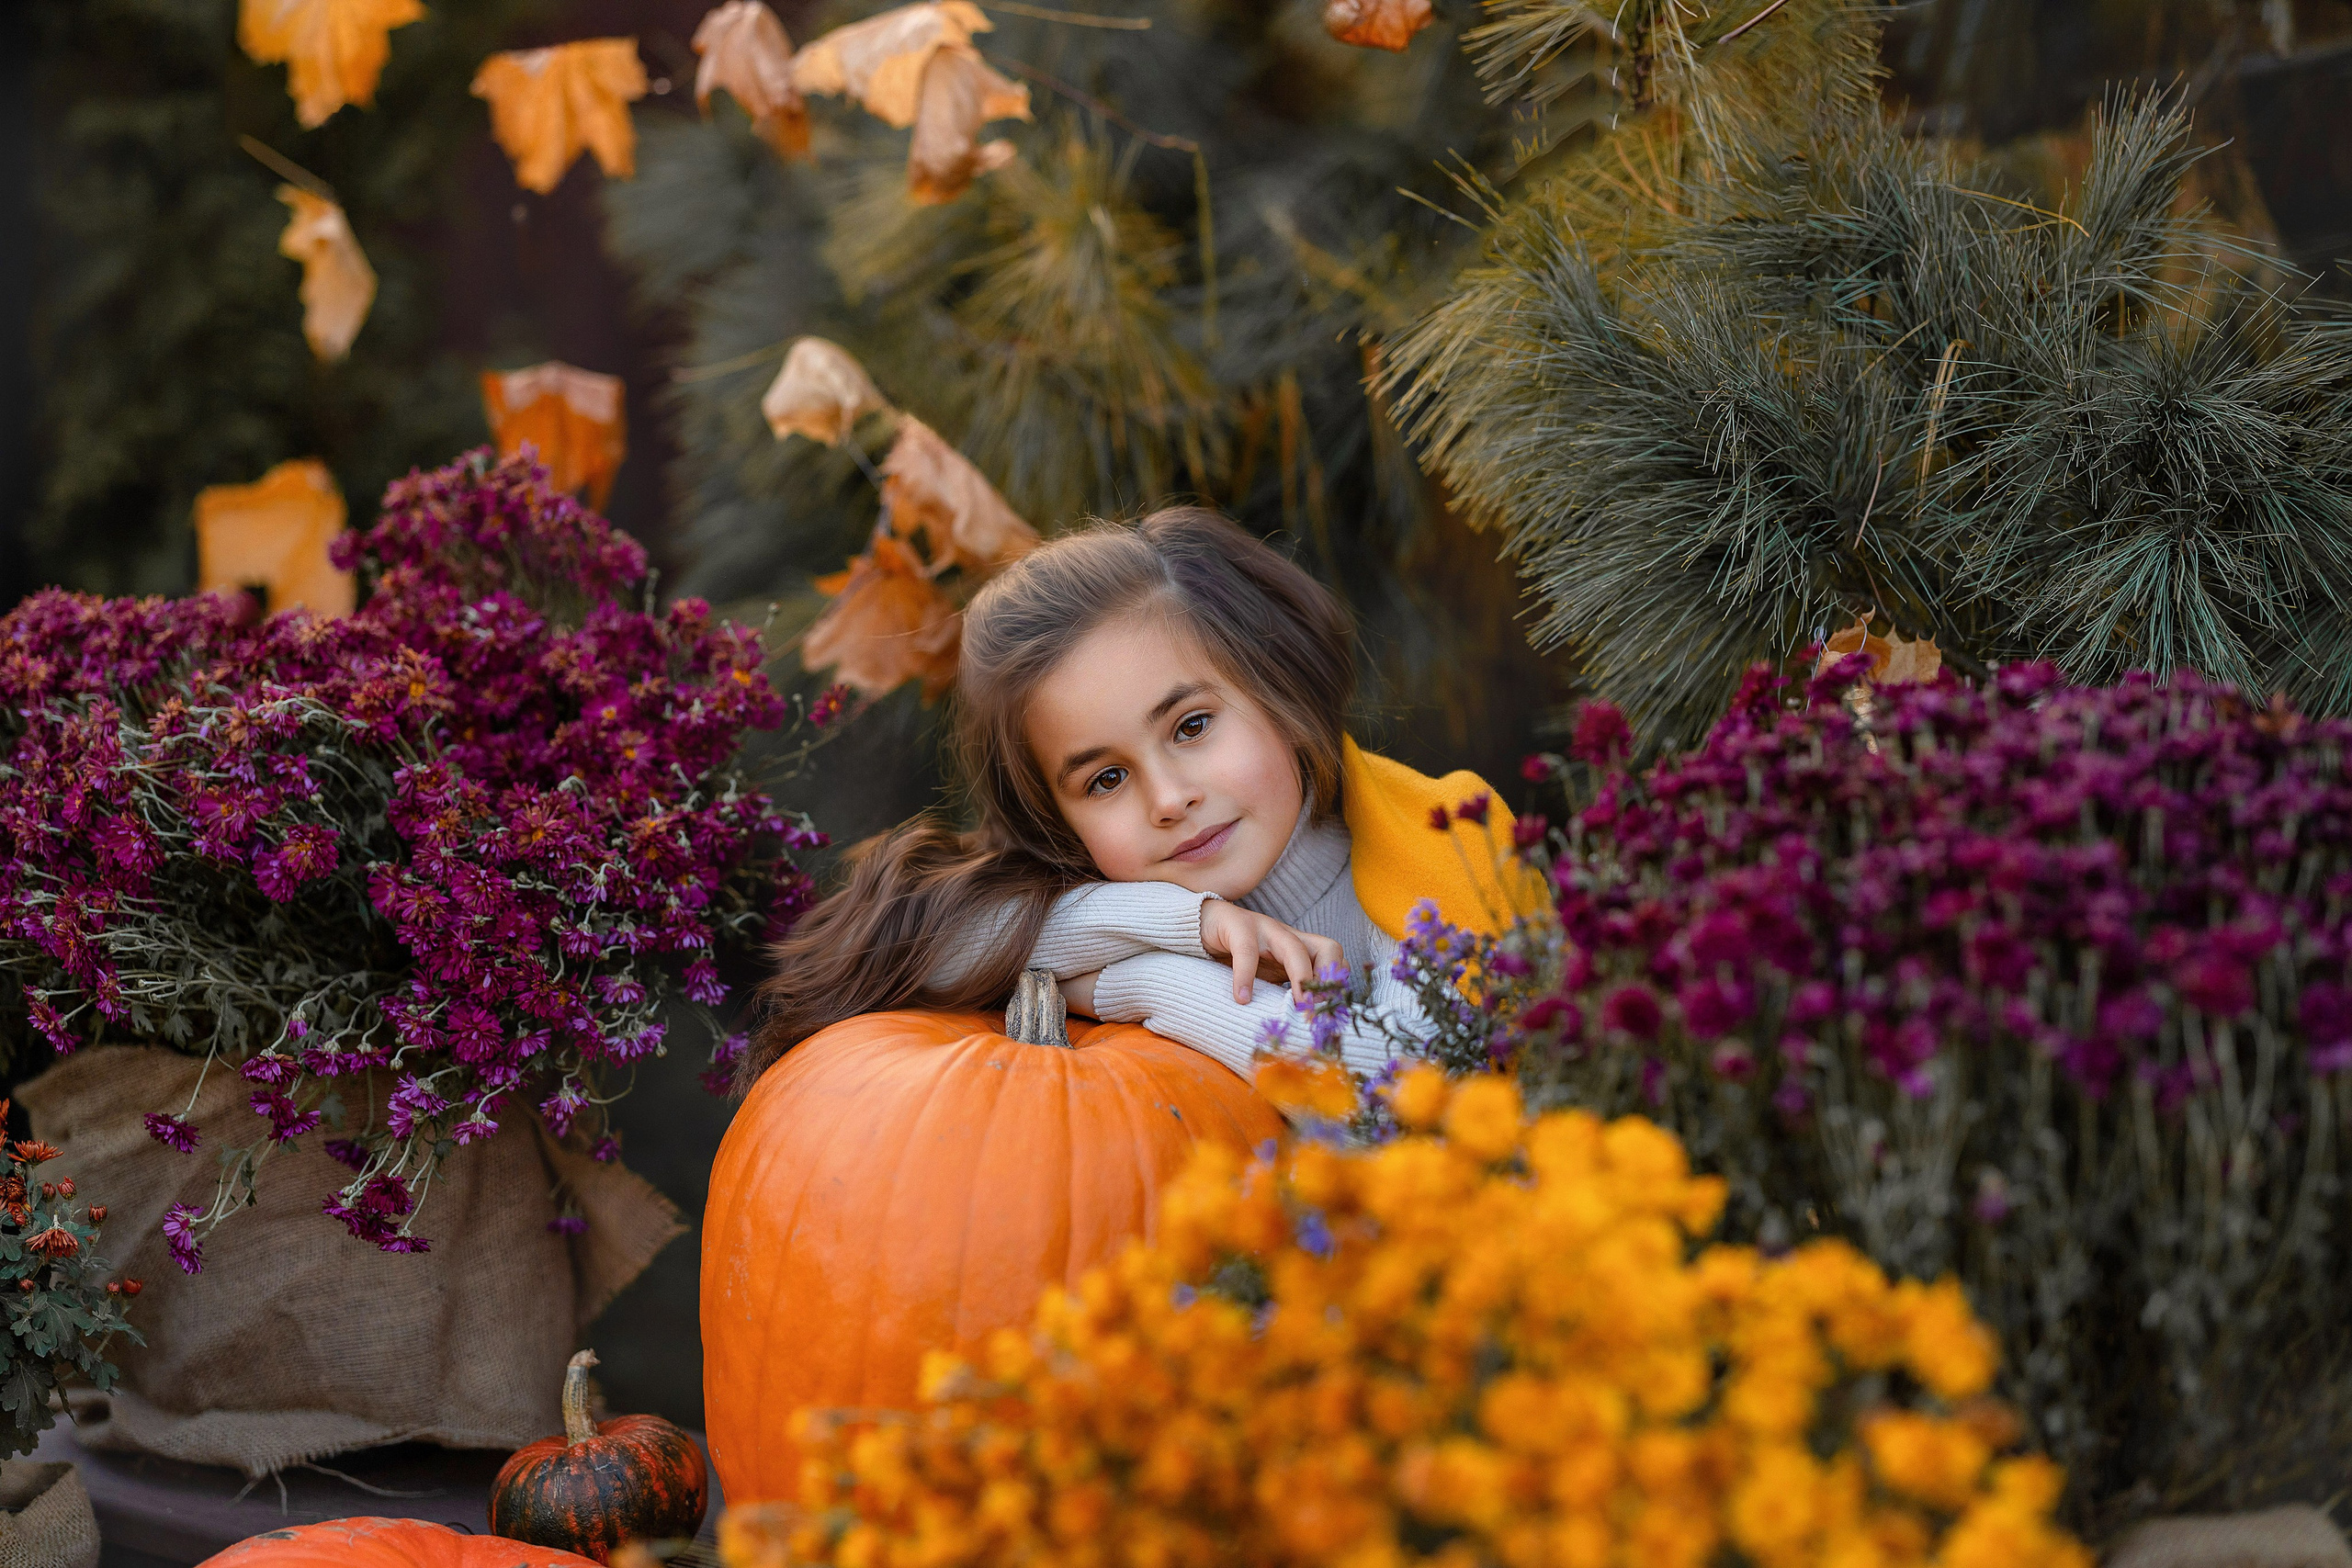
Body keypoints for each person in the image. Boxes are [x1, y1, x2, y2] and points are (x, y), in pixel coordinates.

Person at [743, 506, 1517, 1090]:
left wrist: (1133, 985)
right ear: (1057, 818)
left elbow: (1398, 1079)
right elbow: (925, 944)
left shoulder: (1442, 840)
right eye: (1104, 779)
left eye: (1192, 725)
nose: (1169, 798)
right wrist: (1194, 926)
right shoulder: (1109, 893)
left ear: (1276, 685)